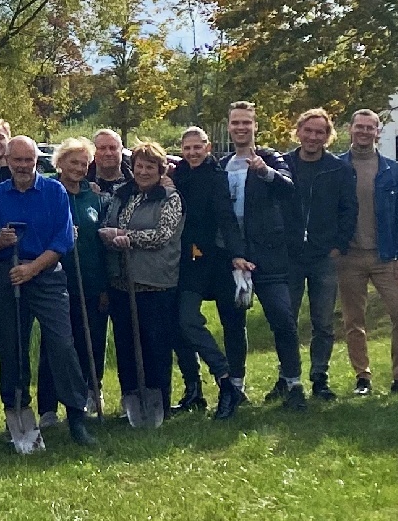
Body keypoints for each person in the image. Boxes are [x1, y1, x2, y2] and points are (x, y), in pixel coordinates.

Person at [0, 136, 97, 447]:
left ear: (36, 161)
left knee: (61, 344)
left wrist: (32, 269)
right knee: (12, 347)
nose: (23, 166)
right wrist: (0, 241)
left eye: (28, 160)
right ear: (7, 161)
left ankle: (76, 416)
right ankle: (17, 412)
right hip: (8, 275)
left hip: (46, 273)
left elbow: (62, 241)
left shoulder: (54, 192)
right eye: (17, 160)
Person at [224, 104, 304, 411]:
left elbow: (288, 189)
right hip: (234, 256)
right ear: (229, 127)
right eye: (235, 123)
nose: (241, 128)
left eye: (246, 123)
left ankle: (293, 383)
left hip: (268, 254)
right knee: (234, 322)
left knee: (282, 319)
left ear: (255, 126)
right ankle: (236, 387)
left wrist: (265, 172)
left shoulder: (270, 157)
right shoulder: (224, 164)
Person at [335, 111, 398, 396]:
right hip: (349, 256)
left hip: (386, 255)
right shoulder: (336, 167)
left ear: (378, 132)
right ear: (350, 129)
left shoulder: (393, 170)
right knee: (353, 320)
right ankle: (362, 377)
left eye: (370, 128)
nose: (365, 132)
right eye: (360, 127)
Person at [101, 143, 184, 413]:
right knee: (125, 345)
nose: (144, 171)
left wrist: (126, 238)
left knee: (155, 346)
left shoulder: (169, 198)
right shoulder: (122, 194)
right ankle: (131, 402)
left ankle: (159, 402)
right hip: (122, 283)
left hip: (155, 283)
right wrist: (107, 234)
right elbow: (107, 225)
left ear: (161, 170)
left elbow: (162, 235)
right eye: (139, 166)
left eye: (150, 167)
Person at [284, 109, 358, 402]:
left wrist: (339, 244)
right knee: (286, 319)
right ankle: (287, 377)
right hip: (290, 255)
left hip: (323, 256)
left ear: (328, 136)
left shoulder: (338, 168)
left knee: (323, 322)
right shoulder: (284, 164)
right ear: (298, 131)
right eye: (308, 130)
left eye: (320, 132)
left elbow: (349, 209)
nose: (313, 137)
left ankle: (319, 376)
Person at [170, 125, 242, 418]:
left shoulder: (216, 177)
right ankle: (198, 387)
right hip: (185, 260)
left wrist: (238, 254)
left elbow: (226, 217)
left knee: (230, 324)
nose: (192, 153)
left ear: (207, 147)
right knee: (184, 321)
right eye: (187, 148)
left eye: (197, 147)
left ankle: (229, 383)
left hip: (213, 259)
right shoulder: (178, 174)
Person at [45, 138, 108, 421]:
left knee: (91, 341)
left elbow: (102, 244)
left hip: (91, 282)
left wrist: (105, 285)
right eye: (74, 162)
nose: (80, 168)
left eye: (84, 164)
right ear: (60, 163)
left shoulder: (94, 196)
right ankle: (48, 407)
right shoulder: (47, 192)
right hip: (56, 283)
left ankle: (88, 396)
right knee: (55, 345)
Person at [89, 129, 130, 196]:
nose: (108, 153)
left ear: (121, 150)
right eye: (102, 148)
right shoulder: (81, 182)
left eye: (112, 148)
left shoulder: (138, 180)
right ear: (94, 151)